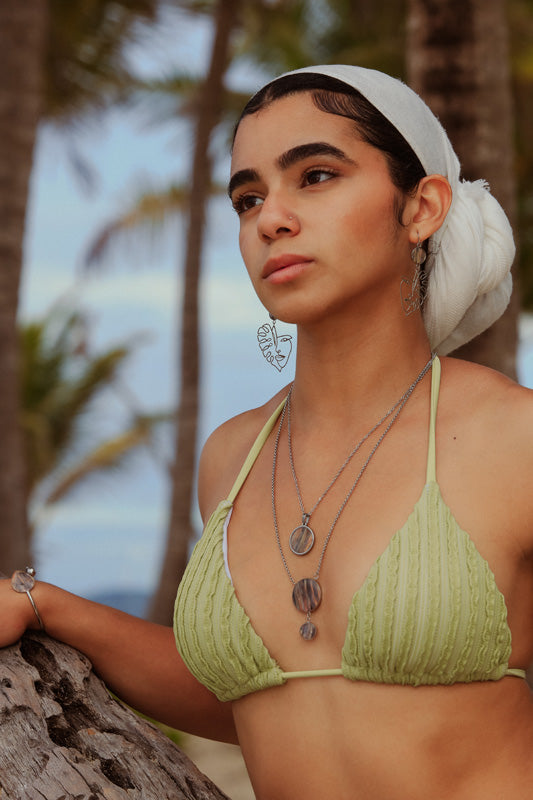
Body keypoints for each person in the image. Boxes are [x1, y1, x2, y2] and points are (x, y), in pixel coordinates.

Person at [2, 64, 533, 799]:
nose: (270, 218)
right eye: (247, 197)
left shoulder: (513, 437)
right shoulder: (232, 457)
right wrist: (44, 603)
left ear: (420, 208)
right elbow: (260, 693)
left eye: (315, 175)